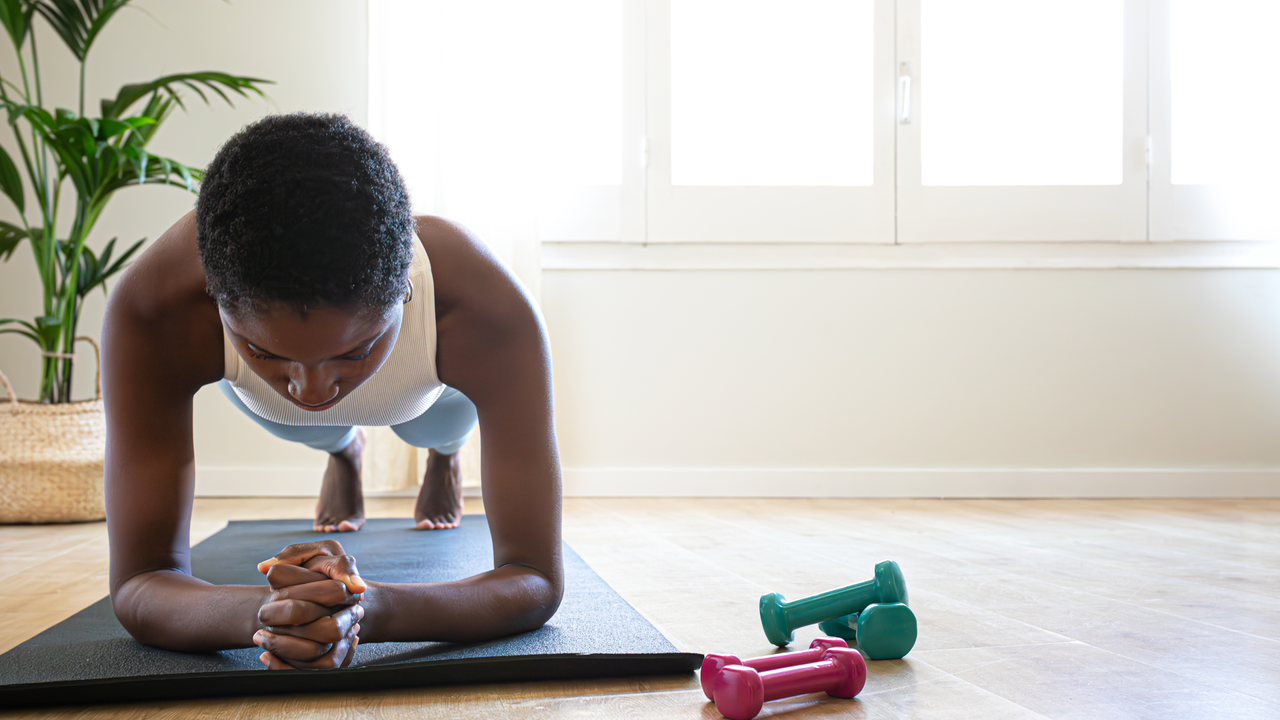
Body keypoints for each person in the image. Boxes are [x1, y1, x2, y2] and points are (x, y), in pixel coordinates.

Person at [101, 113, 563, 669]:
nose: (312, 386)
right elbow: (138, 582)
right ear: (213, 297)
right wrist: (271, 616)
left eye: (353, 351)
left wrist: (368, 609)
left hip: (425, 394)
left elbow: (535, 578)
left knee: (434, 425)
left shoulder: (479, 302)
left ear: (405, 291)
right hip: (261, 404)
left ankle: (443, 457)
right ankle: (344, 452)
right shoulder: (154, 305)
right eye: (265, 351)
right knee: (308, 425)